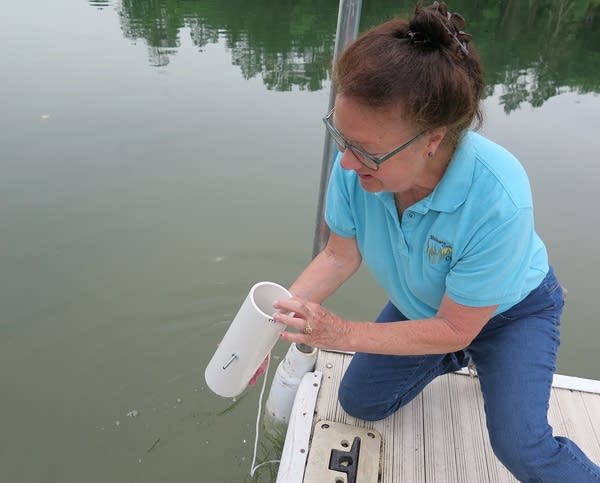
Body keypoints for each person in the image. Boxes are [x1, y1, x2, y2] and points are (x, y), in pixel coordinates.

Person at [270, 2, 600, 481]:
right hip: (426, 304)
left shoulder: (499, 196)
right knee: (360, 402)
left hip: (511, 313)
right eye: (342, 139)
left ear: (432, 139)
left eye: (365, 151)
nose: (345, 162)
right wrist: (270, 324)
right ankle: (452, 358)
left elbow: (456, 326)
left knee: (521, 446)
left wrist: (340, 334)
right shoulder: (357, 168)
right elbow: (338, 255)